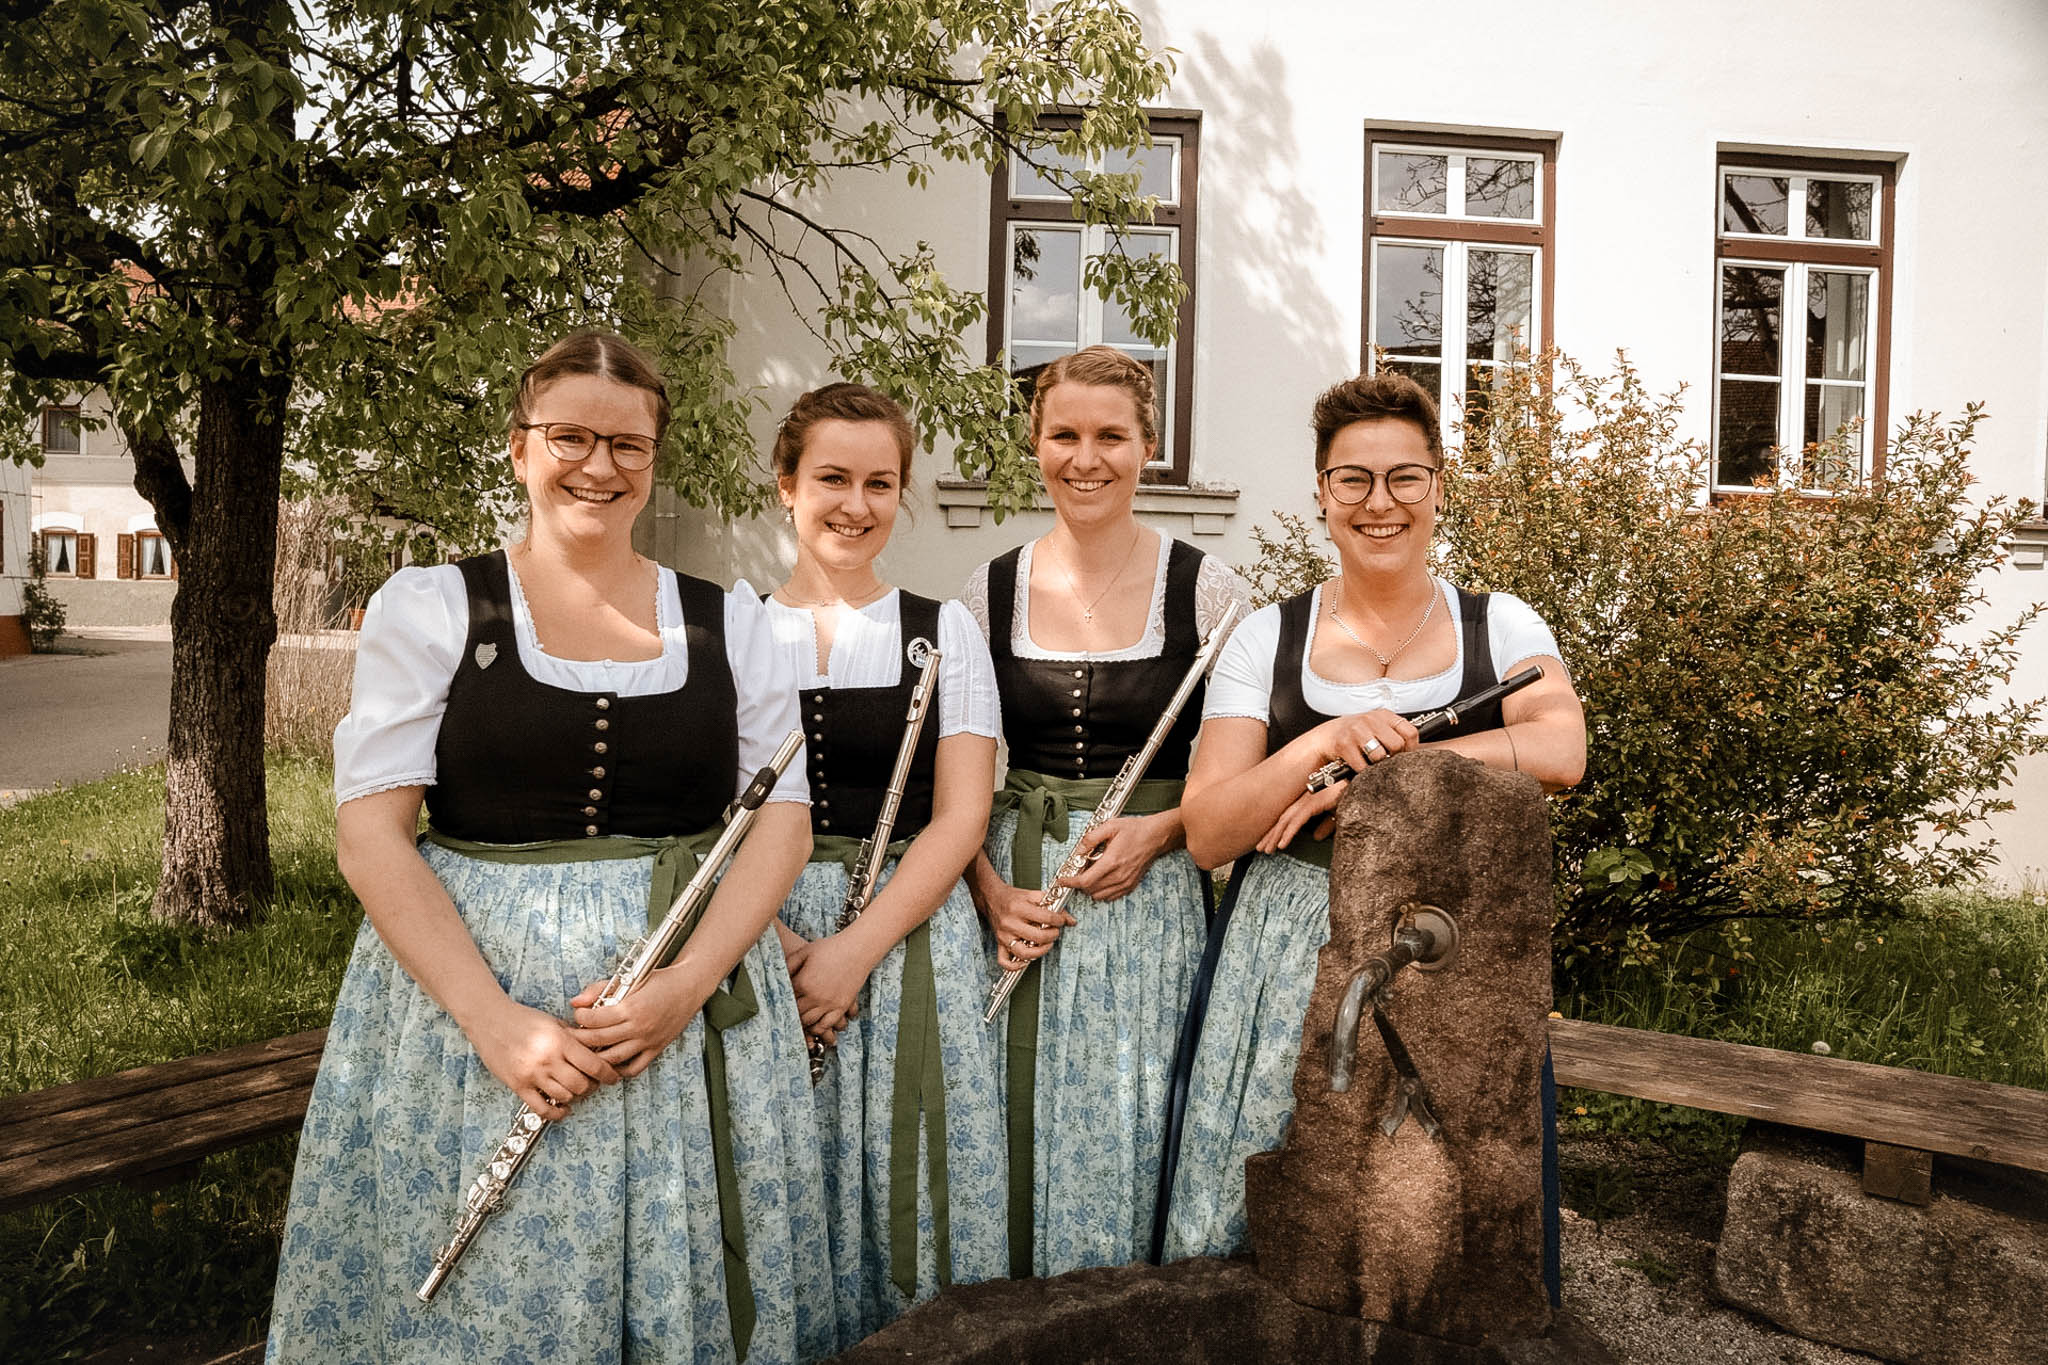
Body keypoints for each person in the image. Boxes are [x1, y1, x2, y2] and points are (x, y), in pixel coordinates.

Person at [267, 332, 834, 1365]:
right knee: (483, 1304)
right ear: (519, 448)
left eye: (628, 445)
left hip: (681, 1013)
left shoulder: (732, 623)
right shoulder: (435, 607)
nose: (599, 466)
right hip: (474, 1008)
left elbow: (780, 825)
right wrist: (492, 1024)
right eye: (569, 436)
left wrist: (685, 986)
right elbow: (372, 836)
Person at [1158, 371, 1585, 1276]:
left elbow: (1560, 748)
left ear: (1438, 485)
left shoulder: (1499, 621)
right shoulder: (1264, 639)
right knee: (1280, 1204)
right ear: (1321, 495)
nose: (1378, 501)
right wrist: (1322, 740)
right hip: (1291, 944)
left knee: (1449, 1207)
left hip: (1455, 949)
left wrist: (1386, 774)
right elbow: (1209, 831)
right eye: (1352, 479)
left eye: (1404, 476)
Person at [961, 345, 1251, 1277]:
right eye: (1064, 434)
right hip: (1018, 895)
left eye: (1111, 436)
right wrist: (988, 888)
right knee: (1011, 1114)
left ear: (1149, 445)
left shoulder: (1209, 590)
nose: (1086, 458)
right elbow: (951, 779)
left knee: (1132, 1109)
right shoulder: (988, 589)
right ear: (1035, 442)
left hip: (1149, 899)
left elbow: (1245, 771)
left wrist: (1162, 831)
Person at [760, 383, 1008, 1347]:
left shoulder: (942, 632)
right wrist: (776, 943)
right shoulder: (730, 629)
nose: (855, 505)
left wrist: (853, 950)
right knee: (778, 1170)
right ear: (786, 485)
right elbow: (701, 813)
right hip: (756, 930)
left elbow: (960, 817)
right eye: (831, 477)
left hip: (904, 931)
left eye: (880, 483)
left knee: (914, 1175)